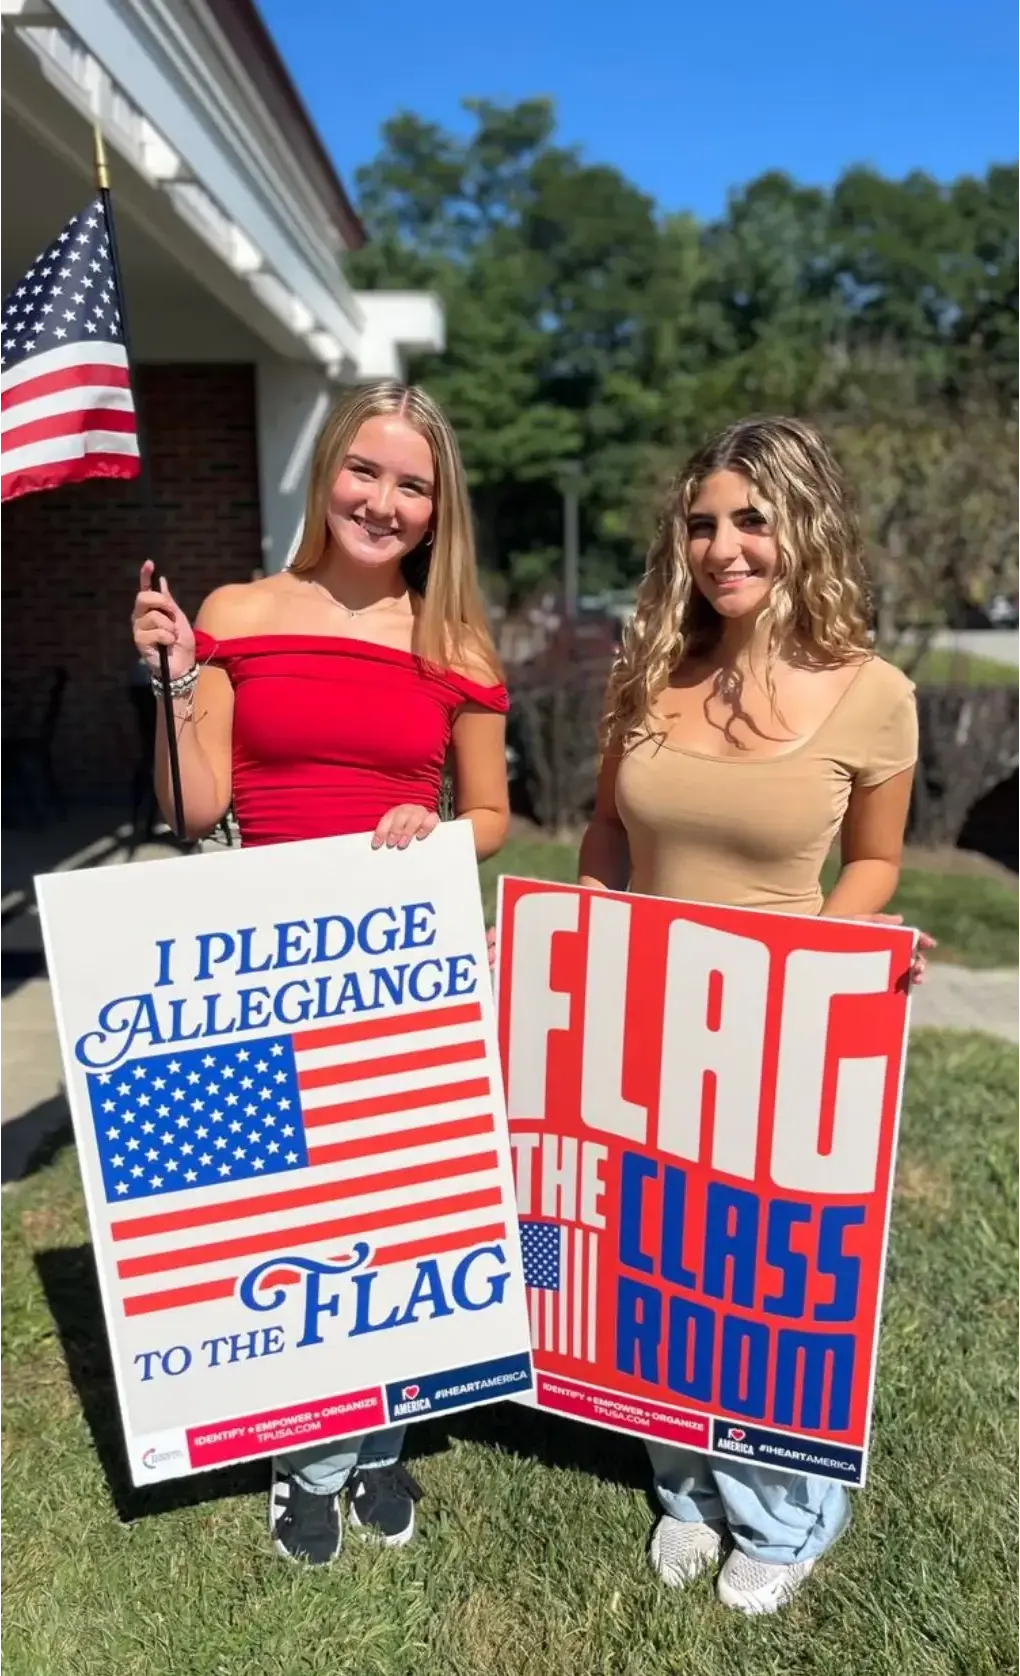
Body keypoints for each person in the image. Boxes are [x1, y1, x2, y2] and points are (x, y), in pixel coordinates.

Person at [130, 379, 510, 1566]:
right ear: (324, 471)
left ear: (438, 508)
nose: (381, 500)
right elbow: (191, 807)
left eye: (411, 483)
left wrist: (426, 825)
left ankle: (385, 1430)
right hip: (263, 963)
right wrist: (177, 678)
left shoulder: (454, 641)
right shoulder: (239, 607)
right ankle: (309, 1451)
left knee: (397, 1208)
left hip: (401, 967)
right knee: (286, 1207)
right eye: (364, 470)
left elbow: (493, 813)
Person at [576, 415, 933, 1617]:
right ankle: (684, 1480)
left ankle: (785, 1509)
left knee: (759, 1278)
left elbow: (875, 863)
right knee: (647, 1260)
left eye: (751, 518)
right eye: (703, 521)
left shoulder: (876, 694)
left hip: (772, 1024)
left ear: (804, 525)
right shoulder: (647, 672)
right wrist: (567, 939)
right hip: (638, 1013)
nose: (723, 545)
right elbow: (609, 835)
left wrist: (837, 959)